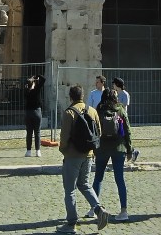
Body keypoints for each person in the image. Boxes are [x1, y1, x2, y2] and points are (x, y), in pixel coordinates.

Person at [58, 84, 109, 233]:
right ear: (83, 96)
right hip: (88, 154)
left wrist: (64, 151)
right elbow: (98, 133)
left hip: (72, 155)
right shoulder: (92, 111)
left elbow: (64, 137)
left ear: (70, 97)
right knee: (85, 184)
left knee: (70, 190)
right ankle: (99, 209)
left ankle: (71, 223)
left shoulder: (69, 113)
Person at [91, 88, 134, 222]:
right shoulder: (120, 109)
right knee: (120, 179)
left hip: (102, 148)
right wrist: (129, 149)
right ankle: (124, 210)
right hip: (119, 147)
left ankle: (94, 209)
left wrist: (93, 149)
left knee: (98, 178)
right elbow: (127, 130)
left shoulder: (98, 110)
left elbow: (94, 131)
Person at [23, 73, 45, 157]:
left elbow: (26, 84)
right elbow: (43, 79)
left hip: (28, 112)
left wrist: (31, 81)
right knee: (37, 132)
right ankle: (37, 151)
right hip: (37, 111)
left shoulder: (26, 91)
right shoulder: (37, 89)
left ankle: (28, 151)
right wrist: (37, 76)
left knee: (29, 132)